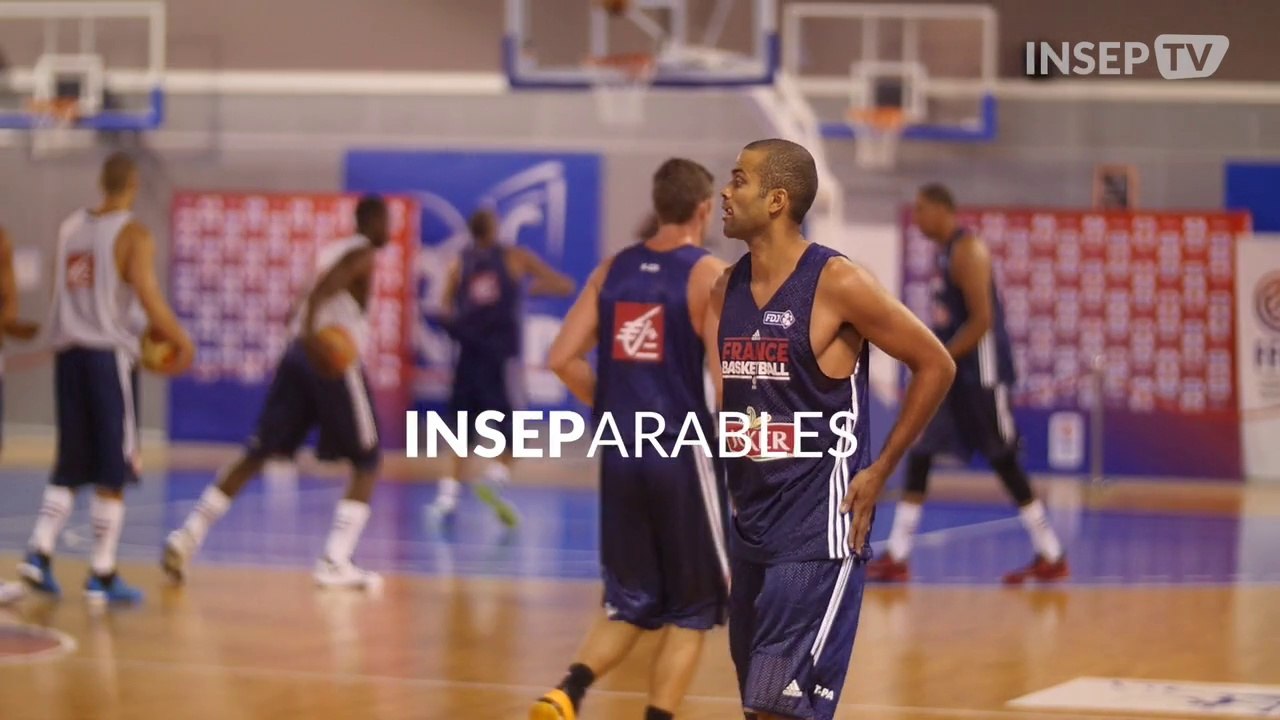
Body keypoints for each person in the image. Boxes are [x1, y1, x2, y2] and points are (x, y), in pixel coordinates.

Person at [706, 139, 955, 720]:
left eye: (738, 180)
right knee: (760, 705)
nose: (724, 191)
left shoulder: (836, 281)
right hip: (752, 531)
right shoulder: (726, 288)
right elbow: (737, 411)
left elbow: (935, 364)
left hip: (819, 531)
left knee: (775, 708)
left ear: (776, 199)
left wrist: (881, 467)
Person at [531, 159, 729, 720]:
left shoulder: (611, 269)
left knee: (629, 602)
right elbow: (724, 381)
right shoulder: (707, 274)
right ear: (703, 209)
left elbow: (560, 358)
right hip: (682, 454)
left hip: (621, 454)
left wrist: (615, 408)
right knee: (694, 611)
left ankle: (566, 691)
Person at [163, 196, 391, 590]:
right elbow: (322, 291)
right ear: (373, 222)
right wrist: (317, 335)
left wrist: (300, 332)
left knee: (260, 450)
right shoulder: (361, 253)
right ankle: (335, 561)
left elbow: (300, 303)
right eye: (386, 221)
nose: (390, 230)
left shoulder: (333, 248)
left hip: (297, 355)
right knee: (367, 459)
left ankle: (189, 534)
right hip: (329, 359)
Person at [868, 184, 1069, 584]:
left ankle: (1052, 553)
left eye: (923, 209)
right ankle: (899, 553)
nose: (919, 217)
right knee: (922, 449)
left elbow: (981, 321)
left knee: (1003, 459)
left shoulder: (968, 251)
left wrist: (936, 360)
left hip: (981, 375)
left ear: (943, 210)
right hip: (956, 373)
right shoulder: (945, 253)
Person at [18, 152, 195, 604]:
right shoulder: (132, 233)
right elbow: (149, 298)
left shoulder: (69, 227)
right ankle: (102, 570)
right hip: (107, 358)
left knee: (71, 459)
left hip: (69, 356)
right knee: (113, 465)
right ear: (133, 183)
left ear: (101, 181)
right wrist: (183, 342)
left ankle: (38, 552)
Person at [426, 209, 575, 527]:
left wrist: (463, 327)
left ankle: (447, 499)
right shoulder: (514, 259)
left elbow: (443, 309)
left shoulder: (458, 262)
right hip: (500, 359)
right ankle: (495, 477)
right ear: (494, 229)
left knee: (459, 433)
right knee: (516, 430)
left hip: (467, 359)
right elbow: (563, 285)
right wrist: (540, 288)